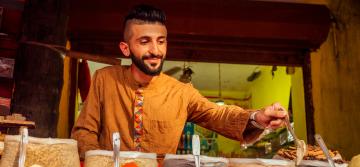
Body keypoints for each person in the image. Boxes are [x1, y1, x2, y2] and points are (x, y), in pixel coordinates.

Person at [71, 4, 288, 157]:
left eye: (161, 42)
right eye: (145, 42)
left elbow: (217, 114)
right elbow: (84, 131)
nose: (155, 50)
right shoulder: (105, 79)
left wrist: (257, 118)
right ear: (125, 48)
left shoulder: (181, 92)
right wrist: (99, 166)